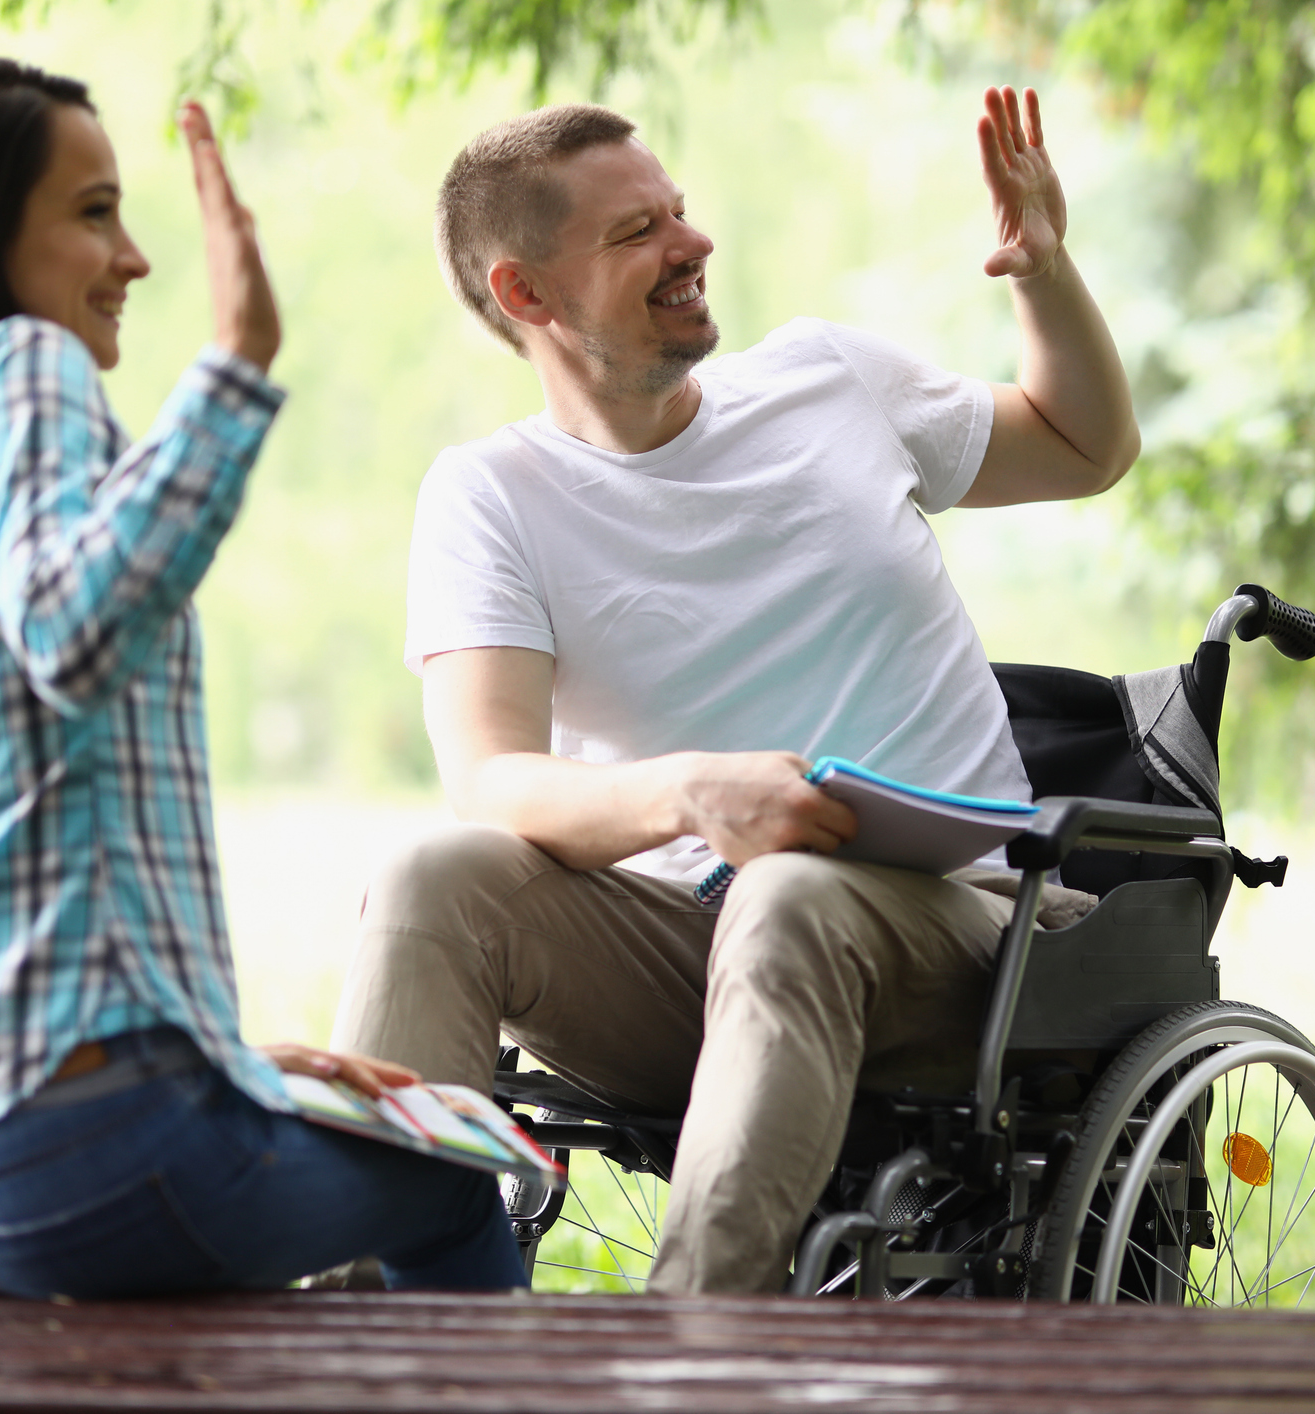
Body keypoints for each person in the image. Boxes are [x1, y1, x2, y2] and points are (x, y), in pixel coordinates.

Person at [330, 86, 1134, 1293]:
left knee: (793, 900)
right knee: (429, 878)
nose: (690, 244)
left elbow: (1086, 446)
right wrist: (694, 795)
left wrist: (1044, 270)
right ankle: (383, 1336)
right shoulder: (489, 496)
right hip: (691, 953)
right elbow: (491, 778)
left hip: (976, 937)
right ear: (525, 295)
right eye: (633, 232)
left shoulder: (828, 382)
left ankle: (691, 1353)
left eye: (680, 213)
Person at [0, 56, 523, 1298]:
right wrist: (237, 359)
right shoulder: (20, 366)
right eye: (94, 211)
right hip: (48, 1159)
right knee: (446, 1185)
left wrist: (209, 1059)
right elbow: (77, 628)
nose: (136, 257)